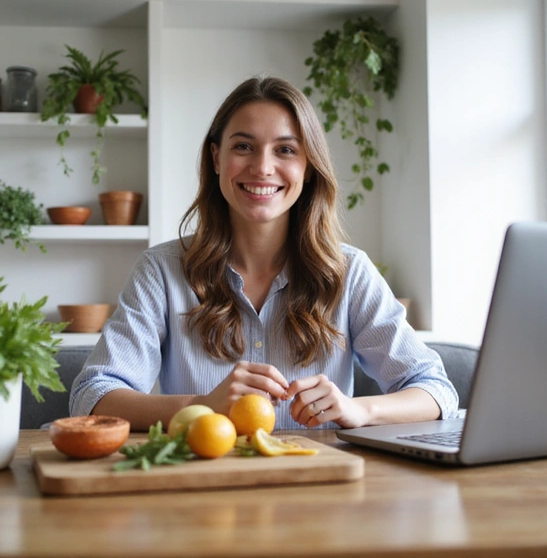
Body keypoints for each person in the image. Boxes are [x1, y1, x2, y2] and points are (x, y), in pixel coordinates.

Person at [70, 76, 458, 431]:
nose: (262, 167)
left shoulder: (349, 272)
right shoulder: (161, 271)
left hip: (324, 494)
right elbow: (92, 397)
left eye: (285, 149)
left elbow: (436, 390)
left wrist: (361, 410)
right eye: (244, 146)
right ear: (216, 157)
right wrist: (203, 405)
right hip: (201, 493)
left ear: (308, 168)